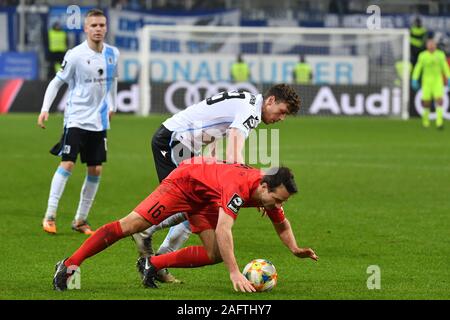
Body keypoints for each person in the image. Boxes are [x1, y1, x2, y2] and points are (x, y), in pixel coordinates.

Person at [52, 157, 318, 292]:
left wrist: (295, 249)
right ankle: (69, 264)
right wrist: (235, 273)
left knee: (214, 254)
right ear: (263, 186)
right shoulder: (238, 187)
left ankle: (152, 264)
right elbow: (225, 229)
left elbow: (282, 224)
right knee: (131, 225)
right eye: (275, 199)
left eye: (280, 201)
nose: (275, 206)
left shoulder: (268, 190)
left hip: (206, 198)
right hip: (184, 183)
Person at [132, 84, 301, 283]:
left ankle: (156, 261)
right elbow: (233, 154)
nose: (281, 118)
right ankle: (147, 235)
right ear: (271, 100)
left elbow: (218, 137)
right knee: (192, 204)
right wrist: (250, 185)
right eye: (282, 112)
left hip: (181, 143)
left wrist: (254, 186)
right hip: (174, 142)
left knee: (197, 206)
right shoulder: (251, 111)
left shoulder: (247, 102)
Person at [38, 9, 120, 235]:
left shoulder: (113, 53)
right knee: (68, 163)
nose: (98, 29)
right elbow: (56, 83)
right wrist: (45, 109)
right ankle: (50, 215)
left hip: (99, 120)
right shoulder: (75, 55)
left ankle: (80, 220)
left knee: (95, 169)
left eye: (101, 25)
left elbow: (112, 81)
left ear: (106, 27)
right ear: (85, 29)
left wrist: (112, 105)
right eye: (93, 26)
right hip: (75, 118)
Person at [411, 38, 450, 129]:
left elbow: (445, 67)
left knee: (439, 100)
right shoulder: (423, 56)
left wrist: (449, 77)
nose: (431, 46)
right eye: (430, 44)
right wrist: (414, 79)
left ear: (435, 45)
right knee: (426, 102)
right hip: (426, 82)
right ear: (427, 45)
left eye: (433, 44)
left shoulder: (440, 55)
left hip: (437, 81)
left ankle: (439, 122)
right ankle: (425, 122)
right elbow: (418, 68)